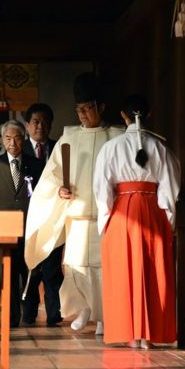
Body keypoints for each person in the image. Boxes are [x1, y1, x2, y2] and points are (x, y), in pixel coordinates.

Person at [24, 73, 124, 335]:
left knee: (105, 266)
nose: (82, 114)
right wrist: (60, 190)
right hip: (78, 216)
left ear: (101, 107)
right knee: (77, 266)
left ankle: (106, 315)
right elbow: (51, 176)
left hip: (108, 215)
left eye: (87, 108)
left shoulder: (117, 136)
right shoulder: (68, 138)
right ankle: (85, 310)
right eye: (78, 109)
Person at [93, 94, 180, 348]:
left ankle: (131, 334)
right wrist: (168, 221)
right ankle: (150, 335)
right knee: (153, 271)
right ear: (149, 114)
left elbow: (102, 189)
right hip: (153, 210)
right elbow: (170, 189)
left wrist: (105, 220)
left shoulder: (111, 147)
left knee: (124, 270)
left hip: (122, 211)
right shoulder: (161, 148)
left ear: (123, 116)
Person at [0, 119, 44, 328]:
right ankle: (11, 317)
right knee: (6, 275)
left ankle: (30, 314)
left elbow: (43, 197)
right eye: (8, 138)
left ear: (23, 139)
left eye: (16, 137)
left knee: (30, 273)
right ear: (2, 140)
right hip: (3, 231)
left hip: (30, 228)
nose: (12, 143)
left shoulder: (35, 164)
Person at [20, 103, 63, 327]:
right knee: (30, 268)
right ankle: (28, 314)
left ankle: (54, 315)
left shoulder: (59, 148)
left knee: (52, 268)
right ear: (27, 125)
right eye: (35, 121)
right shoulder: (20, 149)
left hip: (54, 217)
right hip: (29, 218)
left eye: (45, 122)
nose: (40, 126)